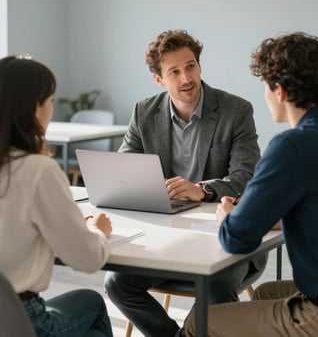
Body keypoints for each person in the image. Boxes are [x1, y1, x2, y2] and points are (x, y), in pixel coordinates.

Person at [185, 32, 318, 337]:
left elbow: (236, 240)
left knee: (199, 323)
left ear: (281, 91)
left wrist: (227, 218)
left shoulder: (292, 146)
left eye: (265, 87)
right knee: (264, 294)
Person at [104, 29, 264, 337]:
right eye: (174, 72)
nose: (185, 77)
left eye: (190, 66)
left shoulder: (236, 111)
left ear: (200, 66)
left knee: (216, 287)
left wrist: (203, 190)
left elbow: (247, 178)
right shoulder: (144, 112)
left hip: (224, 239)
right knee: (116, 285)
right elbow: (124, 172)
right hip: (163, 238)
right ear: (159, 80)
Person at [0, 55, 114, 337]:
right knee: (93, 303)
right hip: (22, 321)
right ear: (33, 109)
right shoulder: (37, 170)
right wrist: (97, 231)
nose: (52, 109)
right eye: (50, 101)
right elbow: (87, 260)